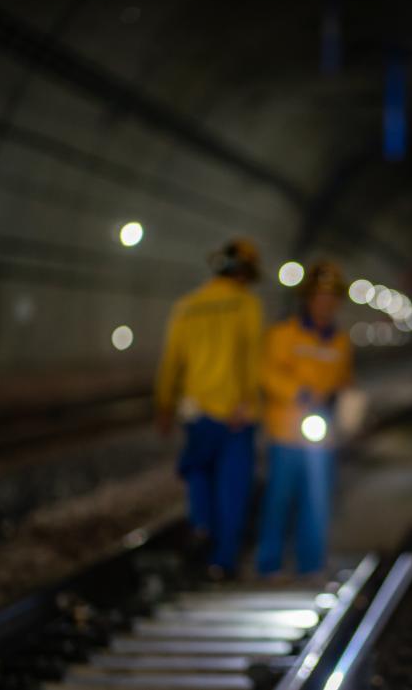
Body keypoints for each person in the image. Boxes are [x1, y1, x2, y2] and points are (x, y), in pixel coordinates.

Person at [155, 238, 263, 579]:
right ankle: (223, 560)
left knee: (198, 470)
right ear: (245, 273)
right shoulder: (246, 305)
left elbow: (171, 361)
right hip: (234, 414)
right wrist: (249, 401)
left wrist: (164, 406)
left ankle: (201, 524)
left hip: (196, 412)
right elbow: (252, 358)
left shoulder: (187, 306)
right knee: (231, 487)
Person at [256, 260, 353, 579]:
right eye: (320, 297)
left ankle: (311, 564)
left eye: (332, 298)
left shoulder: (339, 342)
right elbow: (267, 373)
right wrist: (299, 391)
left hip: (320, 435)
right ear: (308, 300)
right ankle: (268, 563)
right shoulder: (283, 335)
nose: (326, 304)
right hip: (285, 432)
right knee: (279, 500)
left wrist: (348, 403)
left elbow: (343, 381)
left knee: (317, 501)